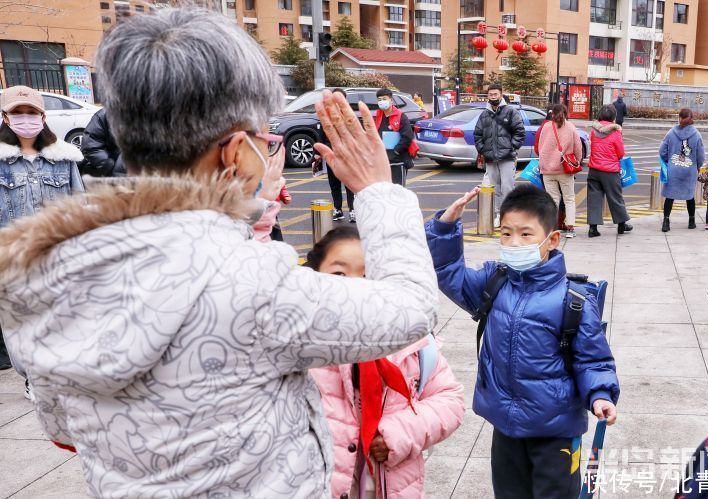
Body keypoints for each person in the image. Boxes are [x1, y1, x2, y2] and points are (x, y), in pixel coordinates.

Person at [0, 9, 439, 497]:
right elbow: (411, 309)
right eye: (263, 139)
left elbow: (61, 426)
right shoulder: (255, 287)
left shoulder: (41, 272)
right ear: (234, 153)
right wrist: (380, 192)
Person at [424, 184, 619, 499]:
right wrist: (445, 227)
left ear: (552, 240)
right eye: (506, 233)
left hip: (555, 431)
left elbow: (593, 359)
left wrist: (600, 395)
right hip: (506, 427)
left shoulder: (574, 300)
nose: (514, 243)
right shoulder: (495, 282)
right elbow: (448, 272)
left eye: (526, 235)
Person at [307, 227, 464, 499]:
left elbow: (450, 401)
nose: (355, 285)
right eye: (339, 274)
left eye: (368, 275)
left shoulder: (411, 341)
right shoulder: (299, 346)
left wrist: (397, 434)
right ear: (314, 276)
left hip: (393, 486)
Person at [0, 85, 85, 373]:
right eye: (17, 113)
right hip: (14, 259)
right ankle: (31, 377)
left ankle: (59, 372)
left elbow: (79, 208)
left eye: (31, 113)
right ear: (6, 117)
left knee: (61, 319)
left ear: (42, 116)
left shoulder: (64, 158)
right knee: (21, 323)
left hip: (57, 257)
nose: (26, 119)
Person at [473, 83, 525, 227]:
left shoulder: (510, 112)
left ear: (501, 95)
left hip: (507, 158)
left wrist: (511, 148)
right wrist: (483, 150)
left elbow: (520, 132)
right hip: (490, 158)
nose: (493, 97)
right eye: (490, 95)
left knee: (507, 188)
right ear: (488, 96)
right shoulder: (484, 115)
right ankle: (497, 215)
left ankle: (508, 216)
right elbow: (477, 134)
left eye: (496, 94)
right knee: (494, 188)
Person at [586, 104, 633, 238]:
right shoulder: (616, 132)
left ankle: (592, 228)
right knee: (615, 198)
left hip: (594, 169)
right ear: (613, 117)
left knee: (594, 198)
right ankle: (621, 225)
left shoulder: (593, 131)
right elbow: (620, 152)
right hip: (610, 170)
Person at [537, 104, 582, 238]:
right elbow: (578, 148)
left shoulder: (545, 127)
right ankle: (570, 228)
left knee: (552, 199)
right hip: (564, 168)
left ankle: (552, 228)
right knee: (569, 198)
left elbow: (540, 147)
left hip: (547, 169)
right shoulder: (570, 127)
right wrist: (576, 162)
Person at [659, 108, 705, 232]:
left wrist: (668, 161)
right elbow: (701, 155)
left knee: (670, 196)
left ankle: (666, 222)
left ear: (679, 118)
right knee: (690, 196)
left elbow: (662, 150)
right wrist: (698, 166)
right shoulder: (696, 134)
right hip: (689, 170)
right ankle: (691, 221)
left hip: (673, 169)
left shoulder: (671, 133)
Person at [375, 87, 414, 186]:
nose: (382, 102)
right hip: (383, 161)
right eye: (379, 100)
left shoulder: (401, 116)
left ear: (391, 100)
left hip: (398, 160)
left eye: (384, 99)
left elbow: (407, 137)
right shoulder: (378, 116)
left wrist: (396, 151)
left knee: (397, 192)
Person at [327, 88, 356, 222]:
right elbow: (323, 135)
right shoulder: (327, 115)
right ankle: (338, 209)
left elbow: (355, 135)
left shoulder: (349, 116)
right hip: (332, 155)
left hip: (347, 155)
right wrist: (318, 154)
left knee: (349, 184)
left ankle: (352, 210)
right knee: (334, 184)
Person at [80, 108, 126, 177]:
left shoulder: (146, 114)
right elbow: (91, 146)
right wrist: (107, 165)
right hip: (114, 175)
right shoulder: (104, 115)